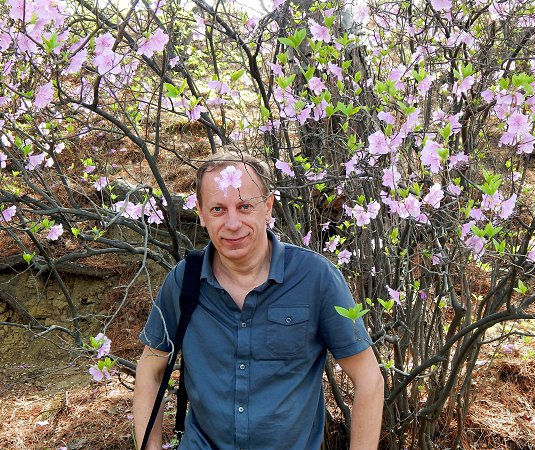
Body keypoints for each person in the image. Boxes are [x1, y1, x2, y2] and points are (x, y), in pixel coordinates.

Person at [133, 151, 384, 450]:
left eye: (245, 206)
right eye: (217, 209)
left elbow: (368, 379)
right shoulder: (184, 280)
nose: (233, 223)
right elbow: (150, 371)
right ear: (200, 213)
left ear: (267, 207)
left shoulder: (316, 278)